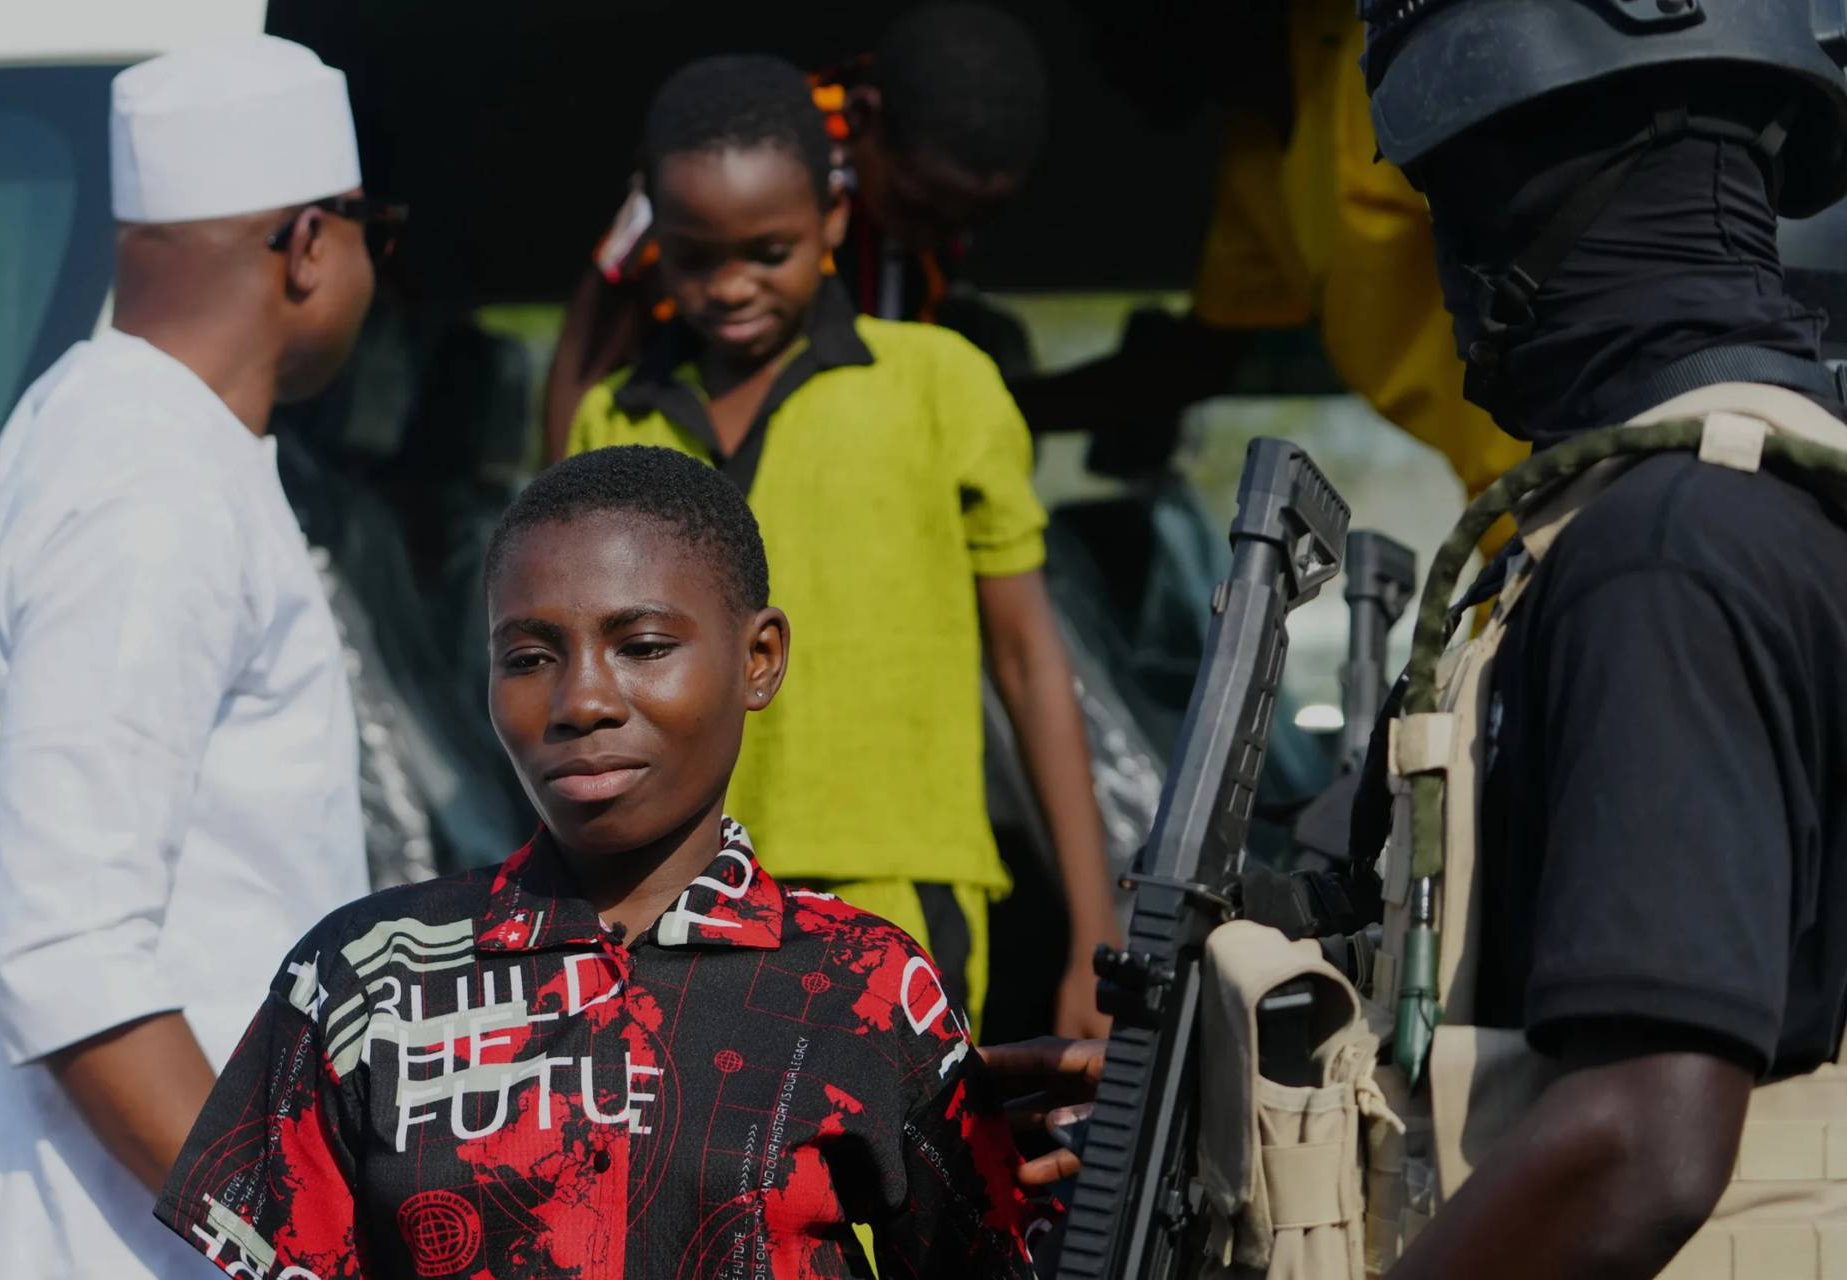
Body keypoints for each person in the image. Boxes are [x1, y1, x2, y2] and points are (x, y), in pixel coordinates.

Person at [1004, 4, 1847, 1276]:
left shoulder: (1667, 550)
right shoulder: (1719, 507)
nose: (1443, 286)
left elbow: (1644, 1137)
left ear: (1550, 190)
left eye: (1453, 207)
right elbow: (1496, 995)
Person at [155, 445, 1045, 1279]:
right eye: (529, 657)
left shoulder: (868, 987)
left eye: (645, 647)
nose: (581, 700)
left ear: (759, 659)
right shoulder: (366, 977)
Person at [0, 36, 381, 1278]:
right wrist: (300, 1241)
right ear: (306, 244)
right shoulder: (152, 482)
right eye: (367, 229)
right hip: (119, 1244)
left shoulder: (127, 432)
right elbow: (68, 954)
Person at [565, 55, 1119, 1040]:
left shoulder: (938, 382)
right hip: (666, 909)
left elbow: (1030, 661)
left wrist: (1093, 928)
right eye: (695, 256)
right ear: (656, 243)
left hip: (897, 895)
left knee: (882, 1189)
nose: (731, 285)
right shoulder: (617, 415)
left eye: (769, 250)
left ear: (832, 220)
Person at [1017, 0, 1527, 509]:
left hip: (1570, 460)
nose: (1096, 48)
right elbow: (1195, 361)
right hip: (1512, 502)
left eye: (1107, 20)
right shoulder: (1256, 154)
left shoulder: (1395, 56)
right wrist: (993, 402)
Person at [543, 3, 1048, 457]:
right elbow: (590, 351)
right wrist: (566, 516)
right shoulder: (742, 150)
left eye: (972, 223)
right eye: (921, 210)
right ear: (860, 119)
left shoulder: (929, 202)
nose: (942, 239)